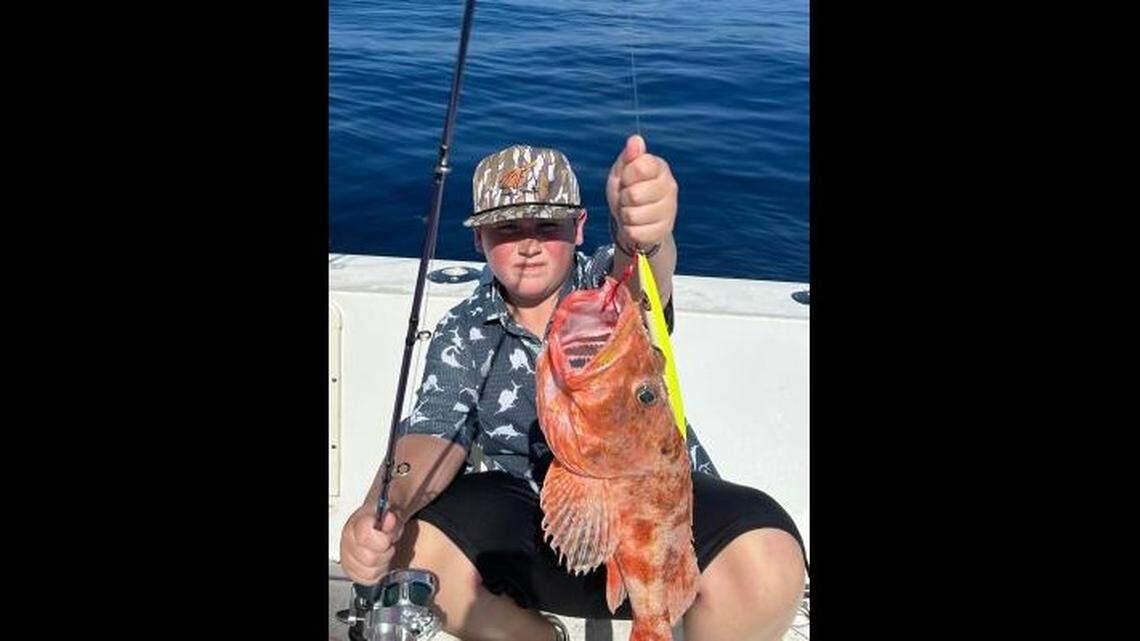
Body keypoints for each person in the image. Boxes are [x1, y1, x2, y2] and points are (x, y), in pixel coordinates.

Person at [340, 135, 807, 641]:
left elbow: (643, 276)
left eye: (547, 225)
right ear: (478, 239)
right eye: (506, 228)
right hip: (540, 531)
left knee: (769, 557)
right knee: (409, 548)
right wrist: (383, 508)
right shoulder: (464, 329)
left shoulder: (606, 293)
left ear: (579, 227)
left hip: (652, 517)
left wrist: (644, 234)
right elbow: (433, 433)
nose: (529, 244)